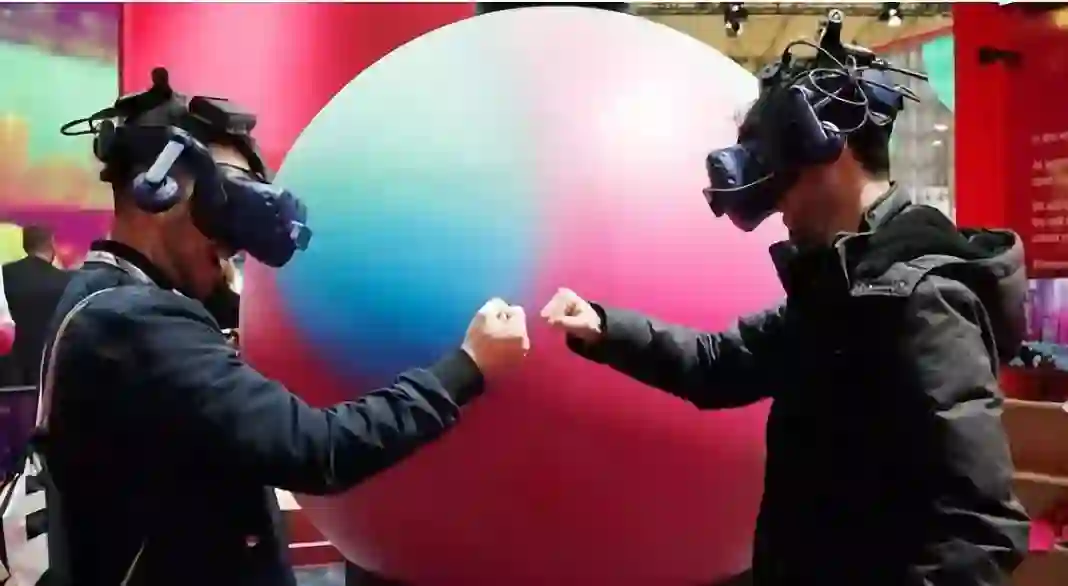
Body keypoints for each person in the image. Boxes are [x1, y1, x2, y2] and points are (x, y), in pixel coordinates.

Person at [541, 26, 1030, 586]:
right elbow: (721, 363)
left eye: (784, 186)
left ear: (834, 155)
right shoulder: (844, 288)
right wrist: (604, 327)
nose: (780, 212)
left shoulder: (918, 299)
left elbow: (977, 527)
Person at [43, 72, 529, 586]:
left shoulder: (106, 301)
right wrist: (468, 367)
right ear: (160, 188)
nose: (231, 243)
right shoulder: (133, 323)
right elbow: (318, 450)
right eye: (224, 202)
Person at [0, 225, 70, 386]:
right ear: (51, 245)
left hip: (10, 368)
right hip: (47, 366)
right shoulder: (64, 281)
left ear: (25, 245)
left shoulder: (4, 274)